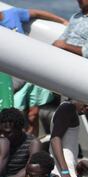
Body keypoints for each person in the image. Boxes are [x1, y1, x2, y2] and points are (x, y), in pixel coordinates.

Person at [1, 6, 68, 136]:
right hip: (11, 74)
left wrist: (62, 21)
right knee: (15, 110)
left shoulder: (12, 14)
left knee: (33, 114)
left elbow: (37, 13)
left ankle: (32, 144)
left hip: (29, 68)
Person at [49, 100, 88, 177]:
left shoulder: (66, 108)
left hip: (66, 173)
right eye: (86, 104)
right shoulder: (68, 108)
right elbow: (55, 139)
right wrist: (65, 172)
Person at [0, 108, 41, 177]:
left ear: (19, 129)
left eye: (8, 132)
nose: (3, 135)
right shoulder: (2, 139)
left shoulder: (33, 143)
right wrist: (4, 154)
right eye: (1, 131)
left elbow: (29, 169)